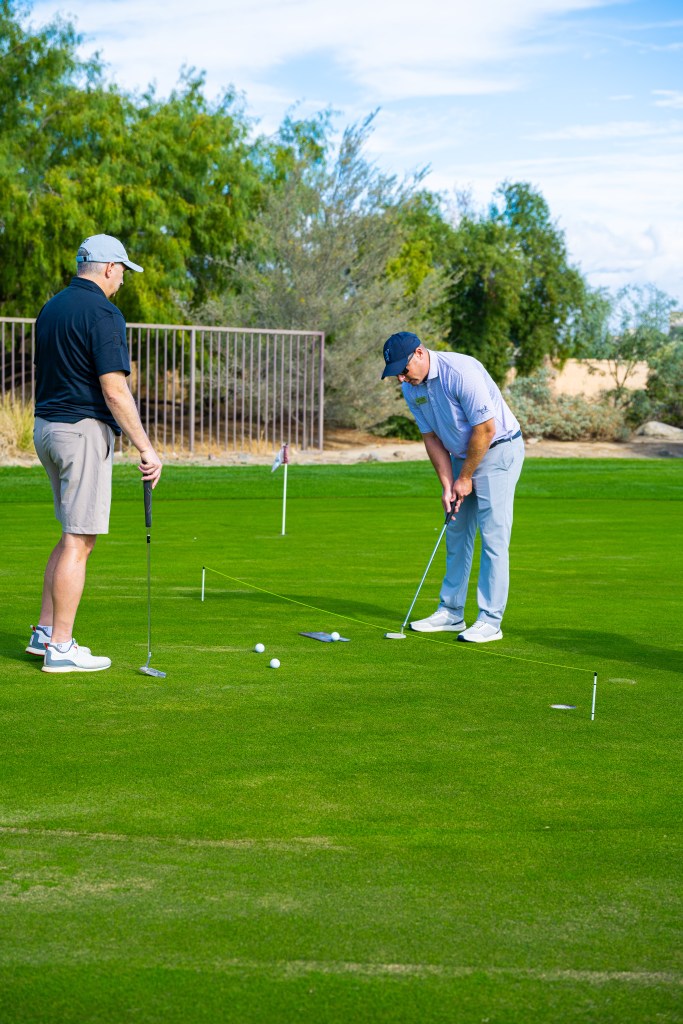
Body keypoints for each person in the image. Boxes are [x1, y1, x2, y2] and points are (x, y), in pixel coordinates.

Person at [28, 234, 163, 673]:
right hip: (81, 432)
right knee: (80, 539)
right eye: (122, 270)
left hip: (46, 428)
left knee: (69, 532)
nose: (123, 279)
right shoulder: (104, 312)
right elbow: (114, 389)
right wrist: (145, 447)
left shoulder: (52, 307)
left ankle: (45, 633)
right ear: (107, 267)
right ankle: (61, 649)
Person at [381, 331, 524, 642]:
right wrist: (448, 484)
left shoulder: (460, 373)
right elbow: (431, 437)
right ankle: (451, 612)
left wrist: (465, 477)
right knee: (456, 530)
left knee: (493, 536)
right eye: (396, 375)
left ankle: (490, 620)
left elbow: (486, 429)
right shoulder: (412, 389)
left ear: (419, 353)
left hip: (497, 449)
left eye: (403, 371)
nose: (402, 380)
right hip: (463, 455)